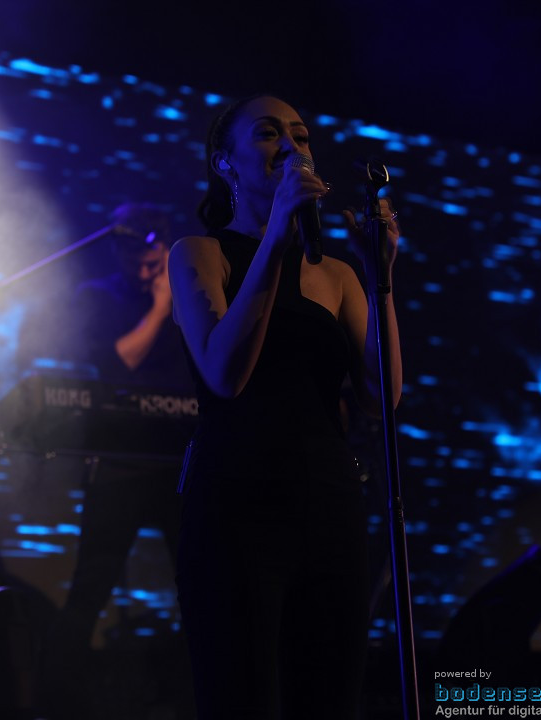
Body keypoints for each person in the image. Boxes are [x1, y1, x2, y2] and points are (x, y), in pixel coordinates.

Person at [168, 95, 402, 719]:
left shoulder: (338, 278)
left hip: (328, 507)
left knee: (326, 700)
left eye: (301, 135)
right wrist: (275, 235)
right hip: (234, 508)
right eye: (270, 135)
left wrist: (379, 280)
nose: (293, 146)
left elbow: (384, 396)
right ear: (226, 163)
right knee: (240, 697)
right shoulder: (199, 254)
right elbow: (226, 373)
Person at [40, 203, 197, 718]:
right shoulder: (99, 296)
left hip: (180, 464)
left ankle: (193, 697)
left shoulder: (188, 298)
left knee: (201, 591)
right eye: (136, 257)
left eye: (155, 258)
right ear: (118, 249)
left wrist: (177, 306)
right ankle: (61, 703)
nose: (147, 269)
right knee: (91, 587)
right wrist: (157, 310)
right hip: (120, 462)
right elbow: (117, 365)